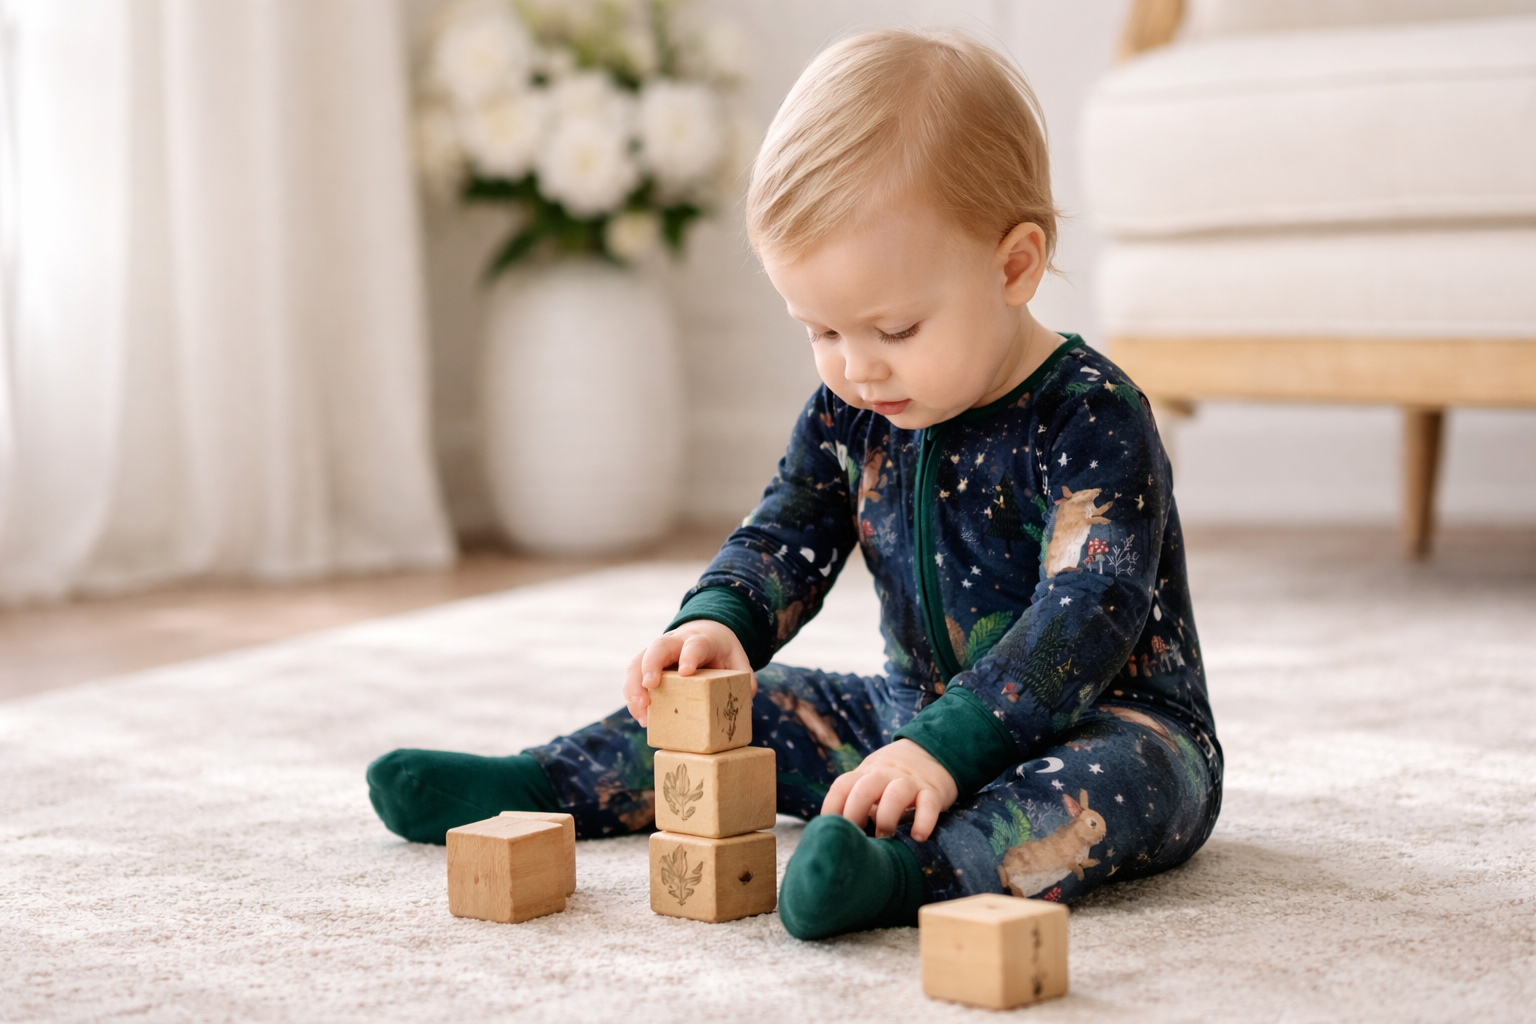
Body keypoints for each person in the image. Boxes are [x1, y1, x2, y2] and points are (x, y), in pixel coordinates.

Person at [366, 28, 1222, 940]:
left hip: (1108, 726)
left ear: (1012, 265)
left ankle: (899, 873)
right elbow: (790, 527)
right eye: (821, 330)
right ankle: (547, 784)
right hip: (906, 720)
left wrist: (947, 750)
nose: (857, 369)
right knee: (757, 709)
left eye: (894, 329)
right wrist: (720, 622)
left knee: (1107, 791)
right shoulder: (851, 409)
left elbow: (1085, 614)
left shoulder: (1091, 415)